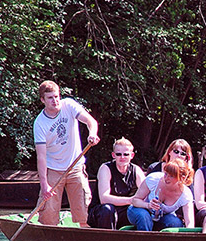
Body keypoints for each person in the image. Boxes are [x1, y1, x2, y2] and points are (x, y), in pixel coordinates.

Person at [33, 80, 100, 226]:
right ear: (43, 100)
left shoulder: (68, 105)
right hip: (53, 169)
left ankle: (84, 234)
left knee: (83, 208)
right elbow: (41, 157)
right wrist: (44, 184)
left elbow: (91, 121)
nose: (55, 100)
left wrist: (92, 134)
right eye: (50, 98)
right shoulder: (40, 123)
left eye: (56, 96)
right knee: (48, 213)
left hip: (75, 167)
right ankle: (48, 237)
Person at [87, 137, 146, 229]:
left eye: (126, 154)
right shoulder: (105, 168)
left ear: (132, 155)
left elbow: (146, 193)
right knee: (107, 209)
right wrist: (131, 200)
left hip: (124, 211)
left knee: (142, 213)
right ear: (113, 155)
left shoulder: (136, 170)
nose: (122, 157)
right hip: (102, 212)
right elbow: (104, 198)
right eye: (119, 154)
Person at [127, 158, 195, 231]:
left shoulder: (185, 194)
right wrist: (148, 205)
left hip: (162, 219)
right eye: (166, 174)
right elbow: (135, 200)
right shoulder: (153, 179)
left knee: (175, 223)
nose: (166, 178)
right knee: (143, 216)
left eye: (171, 176)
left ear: (182, 178)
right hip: (139, 210)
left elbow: (190, 222)